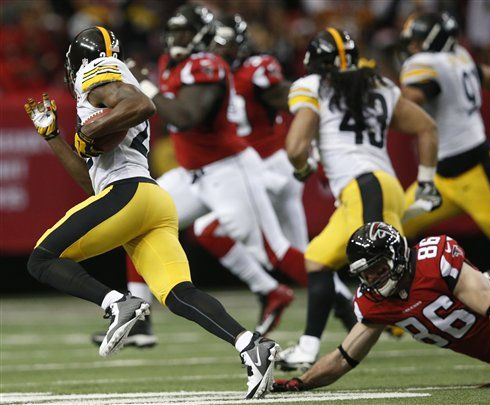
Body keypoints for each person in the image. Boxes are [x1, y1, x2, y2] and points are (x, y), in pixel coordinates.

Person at [24, 26, 279, 399]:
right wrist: (54, 137)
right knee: (178, 294)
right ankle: (250, 344)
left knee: (42, 259)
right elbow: (91, 184)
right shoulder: (105, 85)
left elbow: (143, 105)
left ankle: (117, 302)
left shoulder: (95, 72)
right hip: (149, 200)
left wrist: (90, 133)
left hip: (130, 194)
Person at [91, 5, 304, 347]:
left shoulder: (208, 64)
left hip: (229, 168)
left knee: (274, 251)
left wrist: (147, 90)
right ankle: (140, 322)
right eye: (173, 32)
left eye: (184, 33)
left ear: (203, 36)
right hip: (193, 173)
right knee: (135, 219)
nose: (176, 40)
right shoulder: (168, 64)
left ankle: (344, 302)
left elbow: (186, 115)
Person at [276, 28, 440, 371]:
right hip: (377, 185)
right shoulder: (379, 85)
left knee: (403, 276)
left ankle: (479, 298)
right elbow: (427, 127)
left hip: (363, 187)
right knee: (318, 259)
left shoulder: (313, 86)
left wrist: (304, 169)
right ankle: (308, 348)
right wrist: (425, 182)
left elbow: (294, 148)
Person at [210, 14, 356, 333]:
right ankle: (346, 306)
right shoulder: (213, 75)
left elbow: (294, 99)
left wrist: (312, 138)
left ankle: (269, 290)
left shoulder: (256, 69)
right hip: (258, 168)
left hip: (269, 166)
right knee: (302, 254)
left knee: (212, 228)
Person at [273, 222, 490, 391]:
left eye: (378, 269)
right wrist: (302, 382)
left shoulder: (434, 262)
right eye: (366, 274)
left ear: (396, 256)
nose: (373, 279)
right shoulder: (377, 302)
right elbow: (343, 358)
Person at [398, 12, 490, 256]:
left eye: (415, 41)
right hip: (441, 180)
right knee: (393, 228)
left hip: (477, 173)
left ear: (429, 42)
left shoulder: (424, 65)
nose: (411, 47)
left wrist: (387, 97)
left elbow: (413, 99)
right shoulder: (459, 56)